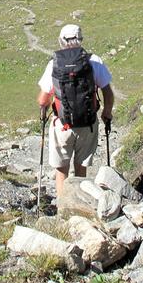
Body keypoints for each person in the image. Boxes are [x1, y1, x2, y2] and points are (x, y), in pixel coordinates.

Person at [36, 24, 115, 196]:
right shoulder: (94, 61)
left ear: (61, 41)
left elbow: (42, 100)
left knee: (61, 169)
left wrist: (43, 112)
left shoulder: (54, 63)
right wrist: (106, 113)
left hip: (62, 125)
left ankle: (62, 206)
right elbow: (108, 92)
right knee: (81, 168)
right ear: (81, 39)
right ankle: (80, 203)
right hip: (88, 124)